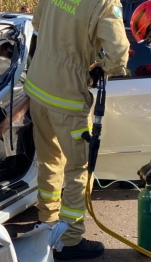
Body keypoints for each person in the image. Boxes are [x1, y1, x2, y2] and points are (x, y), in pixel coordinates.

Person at [25, 0, 129, 260]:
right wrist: (100, 68)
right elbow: (118, 55)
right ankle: (69, 240)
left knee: (50, 161)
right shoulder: (105, 4)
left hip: (38, 90)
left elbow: (37, 23)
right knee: (78, 169)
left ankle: (47, 225)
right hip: (67, 98)